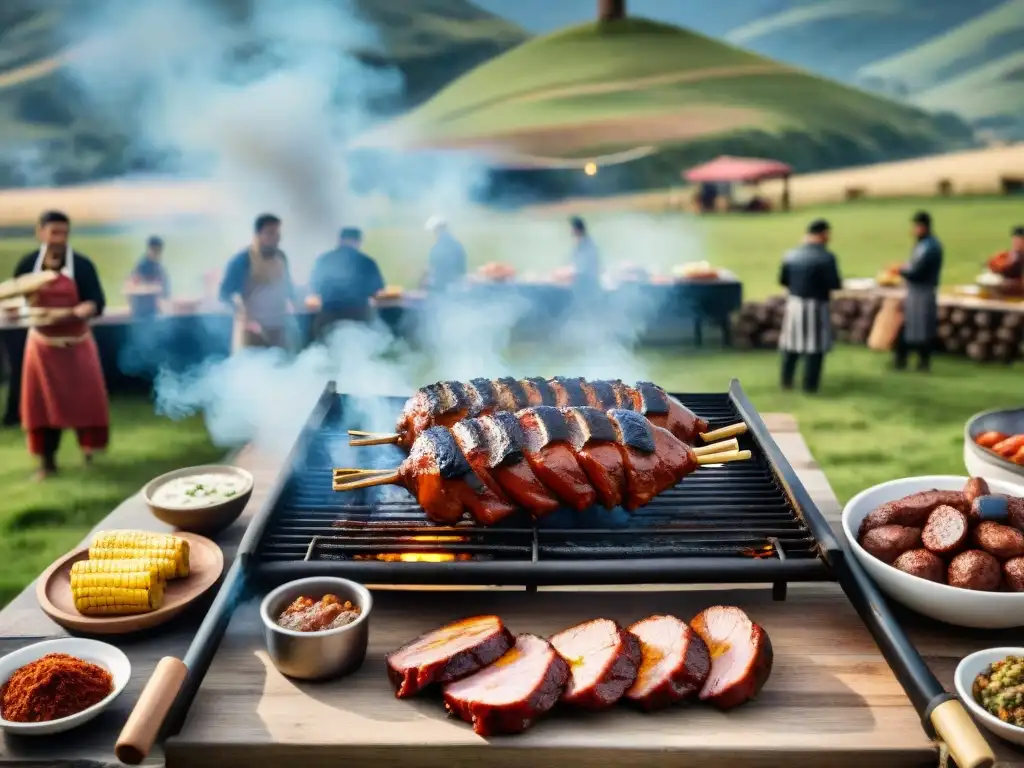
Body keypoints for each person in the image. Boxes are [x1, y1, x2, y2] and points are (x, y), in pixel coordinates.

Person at [13, 210, 109, 479]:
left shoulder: (82, 265)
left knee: (85, 402)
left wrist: (88, 307)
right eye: (54, 232)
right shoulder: (27, 264)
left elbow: (97, 300)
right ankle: (47, 464)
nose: (59, 238)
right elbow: (17, 300)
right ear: (40, 232)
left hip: (77, 345)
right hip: (42, 347)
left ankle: (89, 453)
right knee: (41, 407)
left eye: (64, 233)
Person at [778, 219, 842, 394]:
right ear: (823, 234)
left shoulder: (790, 254)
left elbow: (783, 280)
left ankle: (786, 381)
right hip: (817, 305)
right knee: (815, 347)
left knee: (791, 344)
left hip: (795, 304)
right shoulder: (827, 257)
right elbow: (834, 283)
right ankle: (810, 386)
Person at [218, 214, 297, 353]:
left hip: (279, 328)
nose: (276, 238)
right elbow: (224, 294)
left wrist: (296, 303)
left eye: (277, 233)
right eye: (270, 233)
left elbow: (288, 289)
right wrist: (241, 313)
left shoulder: (281, 258)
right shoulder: (242, 261)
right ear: (258, 235)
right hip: (252, 330)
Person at [305, 227, 385, 341]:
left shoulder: (324, 260)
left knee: (323, 345)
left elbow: (315, 287)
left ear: (340, 240)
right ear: (358, 241)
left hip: (329, 315)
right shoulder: (367, 262)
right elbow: (377, 290)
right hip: (359, 315)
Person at [895, 211, 943, 372]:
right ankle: (912, 362)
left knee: (919, 327)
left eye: (916, 226)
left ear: (922, 227)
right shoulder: (925, 244)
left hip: (922, 290)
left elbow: (918, 272)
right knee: (918, 327)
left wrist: (900, 271)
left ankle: (917, 362)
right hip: (919, 289)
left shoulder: (929, 247)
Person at [124, 235, 170, 318]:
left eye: (159, 251)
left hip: (154, 310)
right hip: (141, 311)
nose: (157, 254)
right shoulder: (141, 266)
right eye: (155, 250)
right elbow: (130, 288)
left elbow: (166, 291)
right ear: (149, 249)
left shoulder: (159, 268)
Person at [423, 216, 467, 292]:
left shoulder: (437, 248)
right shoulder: (457, 245)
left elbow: (434, 269)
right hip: (456, 285)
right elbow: (462, 269)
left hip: (443, 286)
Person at [569, 216, 601, 296]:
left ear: (577, 230)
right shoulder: (579, 245)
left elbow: (583, 270)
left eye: (572, 228)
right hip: (582, 279)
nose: (570, 231)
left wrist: (567, 274)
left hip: (587, 282)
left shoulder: (588, 245)